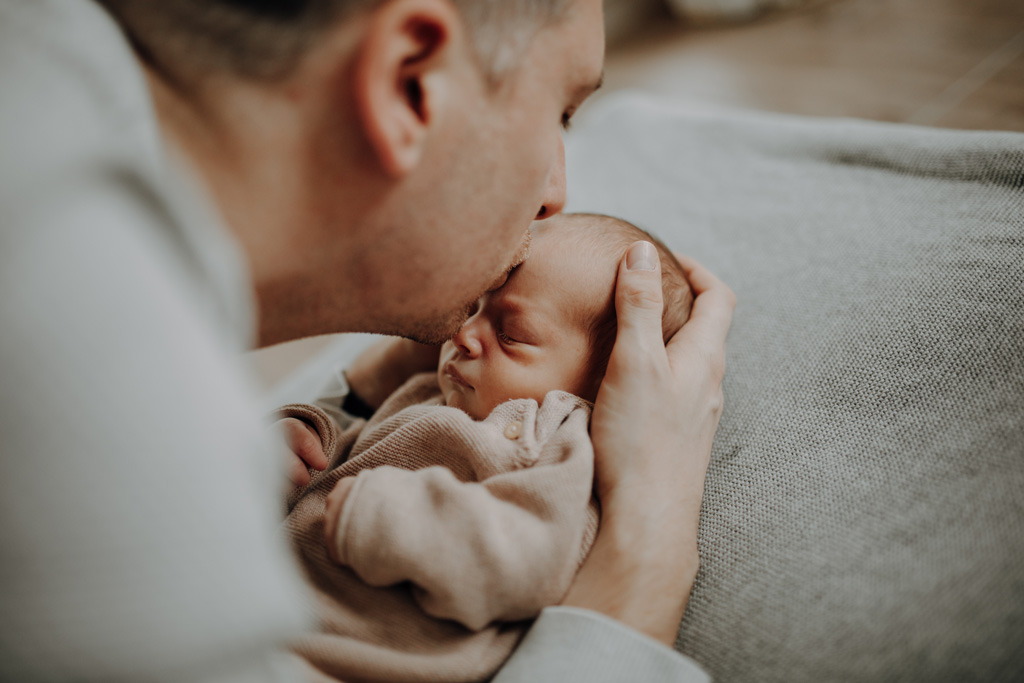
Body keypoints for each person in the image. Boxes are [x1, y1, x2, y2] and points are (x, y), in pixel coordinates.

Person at [0, 0, 735, 681]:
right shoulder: (95, 414)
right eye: (563, 112)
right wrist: (651, 536)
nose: (555, 194)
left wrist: (351, 399)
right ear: (411, 82)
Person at [271, 214, 693, 682]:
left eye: (510, 334)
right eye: (474, 308)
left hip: (343, 661)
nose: (463, 335)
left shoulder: (554, 441)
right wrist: (304, 444)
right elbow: (346, 463)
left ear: (601, 381)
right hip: (257, 613)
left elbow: (530, 561)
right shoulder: (424, 392)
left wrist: (390, 516)